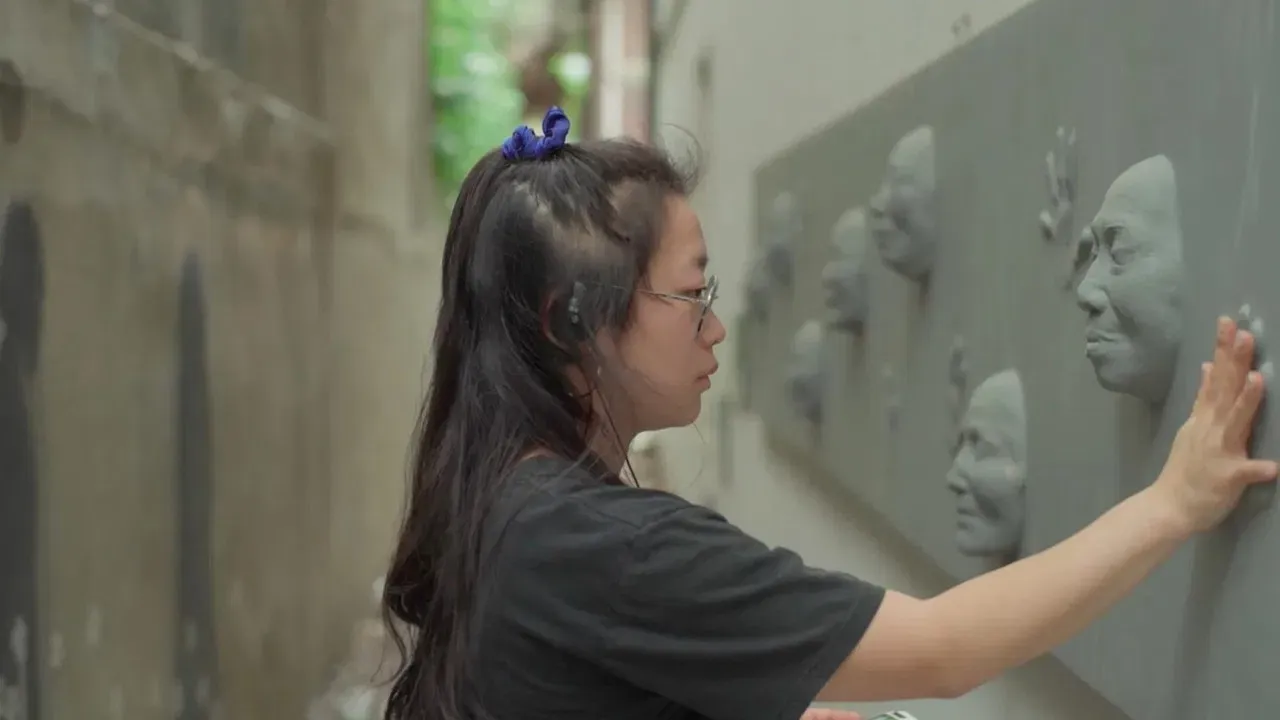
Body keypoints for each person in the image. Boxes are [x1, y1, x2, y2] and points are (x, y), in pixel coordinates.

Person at [379, 107, 1277, 720]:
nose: (717, 327)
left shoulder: (512, 501)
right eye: (693, 295)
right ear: (571, 320)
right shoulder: (601, 546)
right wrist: (1172, 504)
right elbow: (942, 649)